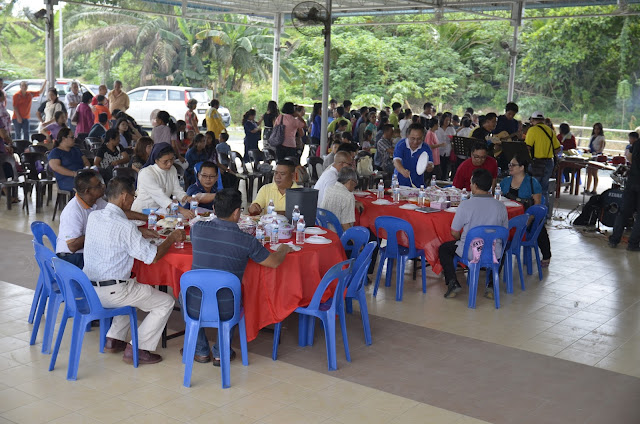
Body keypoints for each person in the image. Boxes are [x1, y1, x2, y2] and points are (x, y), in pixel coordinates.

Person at [83, 177, 183, 364]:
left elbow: (115, 230)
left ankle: (114, 339)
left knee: (133, 287)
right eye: (132, 196)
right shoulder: (126, 227)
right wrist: (172, 238)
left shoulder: (94, 216)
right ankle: (138, 348)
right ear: (124, 196)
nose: (133, 201)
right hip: (113, 292)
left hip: (89, 289)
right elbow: (153, 257)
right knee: (165, 302)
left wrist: (138, 233)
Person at [186, 188, 292, 364]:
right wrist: (283, 249)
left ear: (214, 208)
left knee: (186, 295)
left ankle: (201, 350)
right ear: (237, 213)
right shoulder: (246, 240)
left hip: (194, 303)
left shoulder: (197, 229)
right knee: (232, 295)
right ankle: (221, 352)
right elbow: (273, 262)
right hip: (226, 306)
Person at [438, 168, 508, 298]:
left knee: (444, 249)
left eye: (471, 183)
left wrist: (461, 240)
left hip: (470, 252)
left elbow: (454, 232)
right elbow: (504, 233)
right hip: (493, 252)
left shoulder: (466, 205)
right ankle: (491, 285)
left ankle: (452, 282)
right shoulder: (501, 206)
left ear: (475, 185)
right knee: (503, 249)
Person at [56, 170, 148, 269]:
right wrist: (99, 230)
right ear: (87, 191)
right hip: (72, 258)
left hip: (88, 250)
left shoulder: (96, 201)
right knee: (120, 258)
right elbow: (72, 246)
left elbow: (118, 212)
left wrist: (149, 217)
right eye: (98, 185)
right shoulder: (72, 211)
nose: (103, 186)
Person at [500, 155, 552, 266]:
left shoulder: (532, 182)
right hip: (508, 216)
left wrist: (530, 218)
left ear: (522, 167)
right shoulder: (505, 181)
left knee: (538, 226)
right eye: (509, 165)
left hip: (527, 215)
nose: (510, 167)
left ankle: (546, 255)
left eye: (513, 165)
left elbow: (537, 204)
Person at [131, 143, 195, 219]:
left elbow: (176, 189)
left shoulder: (172, 169)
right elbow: (160, 196)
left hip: (161, 212)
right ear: (156, 160)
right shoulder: (146, 173)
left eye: (172, 159)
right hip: (142, 212)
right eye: (165, 161)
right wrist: (181, 210)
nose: (169, 164)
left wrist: (186, 198)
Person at [609, 131, 640, 251]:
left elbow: (629, 157)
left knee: (623, 212)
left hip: (632, 181)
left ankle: (614, 240)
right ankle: (633, 244)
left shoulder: (637, 143)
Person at [525, 111, 560, 213]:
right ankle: (545, 214)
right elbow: (557, 149)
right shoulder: (550, 130)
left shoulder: (532, 130)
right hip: (549, 163)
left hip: (536, 163)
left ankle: (533, 213)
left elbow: (527, 147)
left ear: (532, 120)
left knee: (534, 189)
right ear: (543, 120)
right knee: (544, 189)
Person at [48, 128, 91, 192]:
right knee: (87, 186)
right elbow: (56, 167)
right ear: (64, 139)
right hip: (65, 180)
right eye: (72, 137)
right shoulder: (55, 152)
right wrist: (74, 174)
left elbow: (86, 162)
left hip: (81, 177)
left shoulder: (76, 150)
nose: (74, 139)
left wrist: (86, 169)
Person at [393, 123, 434, 187]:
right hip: (399, 183)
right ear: (407, 136)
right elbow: (396, 161)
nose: (415, 142)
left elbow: (431, 164)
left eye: (419, 139)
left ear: (423, 137)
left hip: (418, 183)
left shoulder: (426, 148)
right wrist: (402, 171)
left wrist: (429, 167)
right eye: (413, 138)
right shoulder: (401, 145)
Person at [584, 122, 606, 195]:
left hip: (596, 156)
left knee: (594, 173)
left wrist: (596, 152)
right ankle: (587, 188)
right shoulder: (592, 136)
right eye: (595, 129)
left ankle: (594, 189)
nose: (596, 130)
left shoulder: (601, 137)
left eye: (598, 129)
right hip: (591, 155)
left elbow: (601, 148)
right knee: (589, 172)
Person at [557, 123, 577, 192]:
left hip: (568, 157)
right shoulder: (559, 136)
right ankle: (557, 184)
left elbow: (574, 147)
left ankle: (567, 184)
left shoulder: (571, 137)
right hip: (559, 156)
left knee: (566, 170)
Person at [435, 113, 456, 179]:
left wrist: (452, 139)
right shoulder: (438, 128)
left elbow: (454, 139)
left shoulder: (451, 129)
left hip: (447, 150)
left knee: (446, 166)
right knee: (439, 166)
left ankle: (445, 178)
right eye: (446, 120)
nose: (447, 122)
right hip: (439, 150)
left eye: (448, 120)